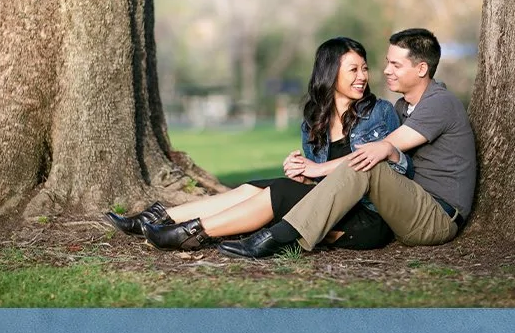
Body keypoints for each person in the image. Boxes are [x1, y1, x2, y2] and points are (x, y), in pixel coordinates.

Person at [100, 36, 402, 253]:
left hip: (367, 217)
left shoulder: (380, 113)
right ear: (330, 72)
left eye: (364, 68)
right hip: (326, 207)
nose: (363, 76)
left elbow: (376, 164)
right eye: (354, 69)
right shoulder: (314, 121)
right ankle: (161, 218)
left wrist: (316, 169)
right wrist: (302, 173)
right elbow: (317, 180)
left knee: (279, 191)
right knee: (255, 188)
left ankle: (193, 232)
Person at [217, 27, 478, 259]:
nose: (385, 70)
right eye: (387, 63)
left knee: (370, 163)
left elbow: (383, 147)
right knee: (341, 172)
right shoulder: (404, 107)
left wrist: (317, 168)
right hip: (407, 209)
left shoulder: (440, 103)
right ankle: (255, 231)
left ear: (421, 69)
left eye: (396, 65)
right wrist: (304, 171)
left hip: (437, 218)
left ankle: (277, 238)